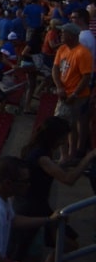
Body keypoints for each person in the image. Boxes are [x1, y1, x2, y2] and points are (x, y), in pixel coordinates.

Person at [11, 116, 96, 262]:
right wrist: (88, 158)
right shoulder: (41, 157)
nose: (65, 141)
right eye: (63, 137)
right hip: (32, 210)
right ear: (54, 137)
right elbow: (68, 179)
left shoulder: (38, 150)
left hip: (38, 207)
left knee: (68, 243)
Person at [51, 23, 92, 160]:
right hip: (64, 93)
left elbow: (86, 77)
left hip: (76, 96)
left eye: (64, 33)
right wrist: (59, 87)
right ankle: (67, 155)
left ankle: (67, 156)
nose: (61, 35)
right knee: (67, 125)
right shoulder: (62, 49)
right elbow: (56, 69)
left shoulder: (83, 53)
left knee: (64, 126)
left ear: (72, 36)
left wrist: (74, 94)